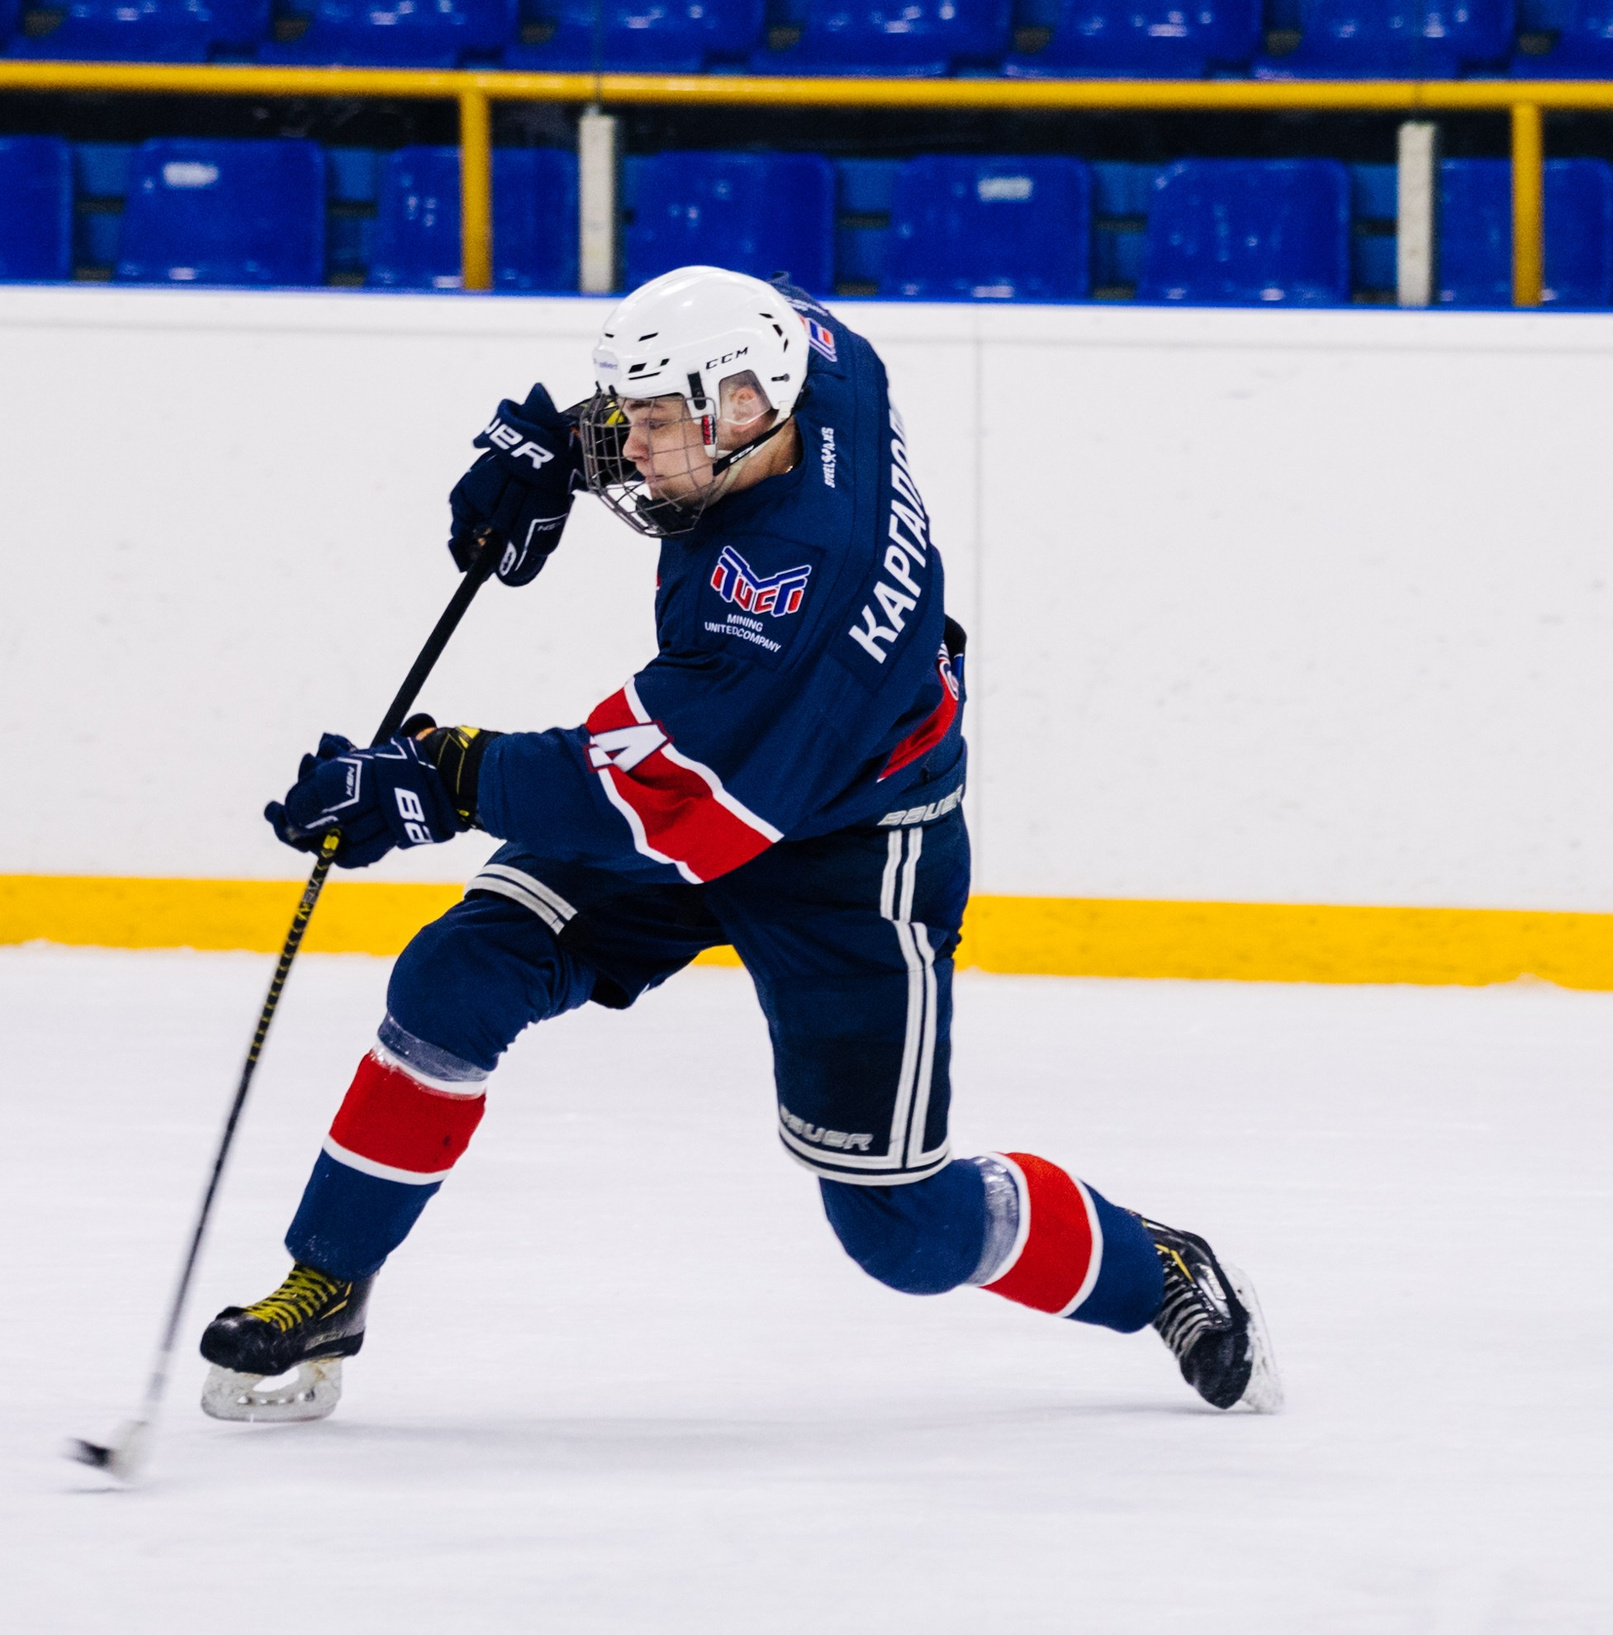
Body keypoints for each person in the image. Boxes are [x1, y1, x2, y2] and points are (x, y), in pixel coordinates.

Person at [200, 266, 1280, 1421]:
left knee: (897, 1225)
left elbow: (652, 788)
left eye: (656, 427)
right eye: (633, 418)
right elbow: (775, 316)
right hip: (738, 766)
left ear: (744, 409)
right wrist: (563, 446)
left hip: (852, 848)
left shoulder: (788, 580)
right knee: (457, 976)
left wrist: (439, 779)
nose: (637, 450)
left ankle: (1158, 1268)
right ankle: (332, 1277)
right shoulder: (827, 366)